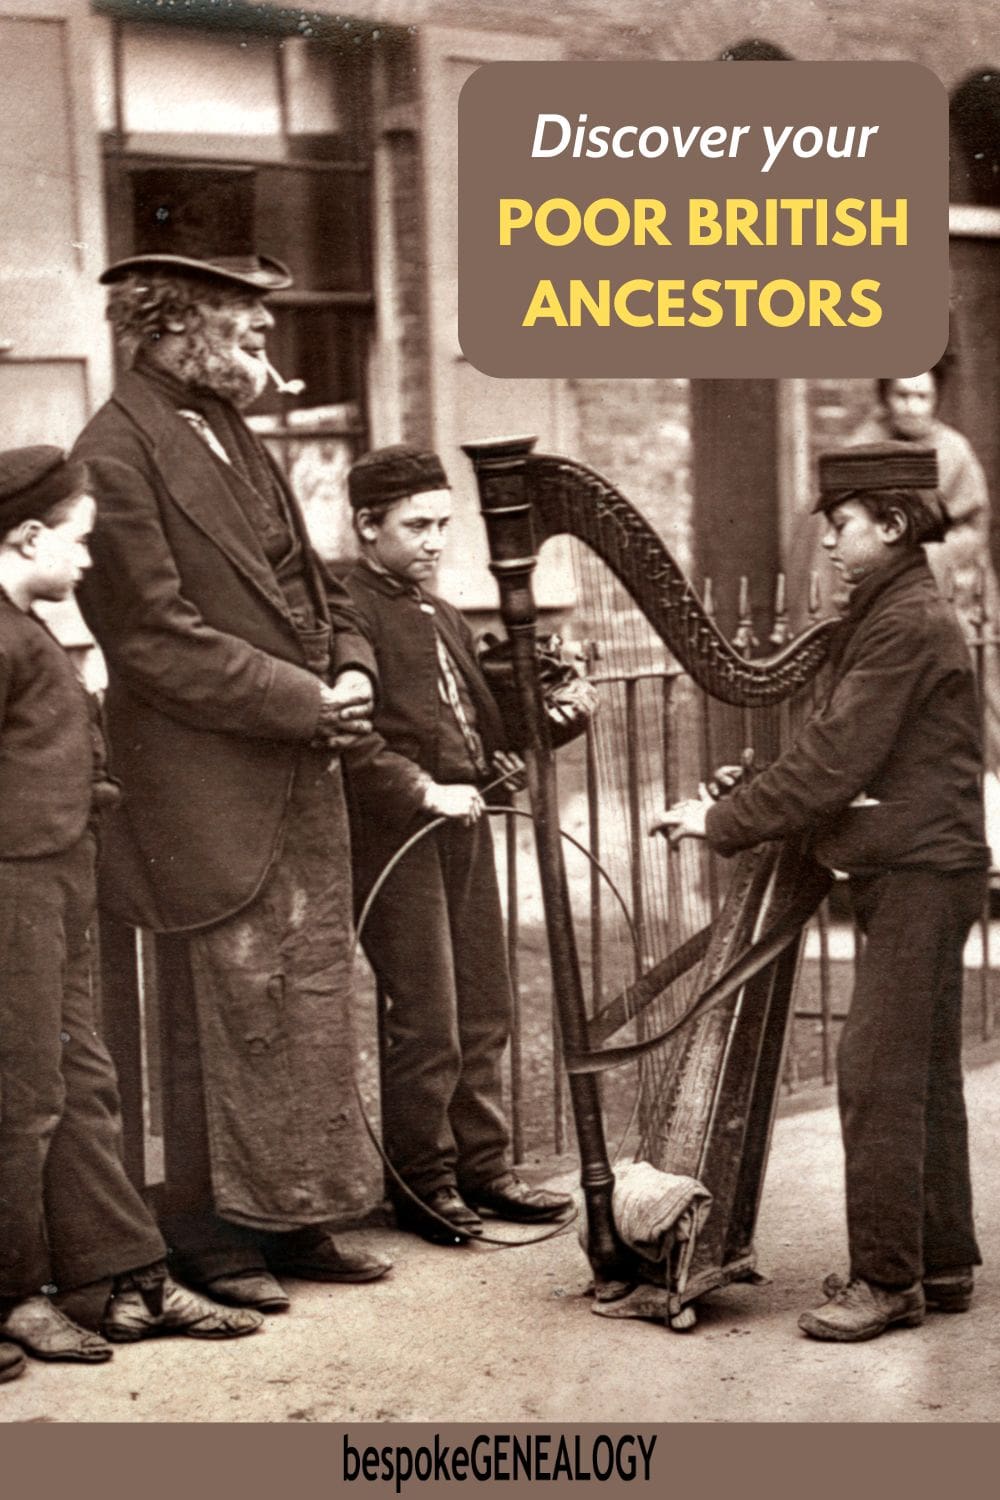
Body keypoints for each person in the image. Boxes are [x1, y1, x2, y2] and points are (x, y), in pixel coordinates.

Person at [70, 192, 391, 1313]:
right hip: (205, 780)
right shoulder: (112, 451)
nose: (262, 333)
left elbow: (312, 575)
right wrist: (305, 699)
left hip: (297, 755)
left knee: (305, 993)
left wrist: (350, 660)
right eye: (241, 315)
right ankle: (207, 1236)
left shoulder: (233, 425)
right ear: (173, 321)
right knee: (224, 1004)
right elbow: (154, 641)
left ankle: (293, 1214)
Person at [652, 441, 988, 1342]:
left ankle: (887, 1281)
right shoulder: (888, 609)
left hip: (922, 872)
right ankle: (942, 1260)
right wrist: (755, 783)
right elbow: (841, 745)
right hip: (920, 865)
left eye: (840, 525)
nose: (830, 543)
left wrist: (718, 824)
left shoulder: (906, 620)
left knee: (875, 1072)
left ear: (890, 522)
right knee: (917, 1069)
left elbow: (838, 760)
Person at [0, 447, 262, 1379]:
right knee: (21, 1100)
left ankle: (128, 1279)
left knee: (82, 1083)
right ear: (27, 535)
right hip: (14, 894)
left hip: (58, 883)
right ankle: (10, 1299)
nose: (88, 561)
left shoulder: (28, 628)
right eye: (78, 541)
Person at [341, 445, 574, 1244]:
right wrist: (419, 788)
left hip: (463, 827)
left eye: (444, 524)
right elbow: (353, 738)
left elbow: (480, 728)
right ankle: (423, 1181)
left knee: (485, 1003)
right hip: (395, 838)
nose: (436, 540)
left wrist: (546, 718)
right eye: (417, 525)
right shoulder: (348, 608)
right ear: (367, 526)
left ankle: (486, 1167)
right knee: (430, 1016)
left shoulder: (438, 611)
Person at [850, 367, 1000, 773]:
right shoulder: (863, 444)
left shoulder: (954, 450)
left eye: (922, 397)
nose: (912, 407)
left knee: (972, 687)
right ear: (885, 396)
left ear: (935, 400)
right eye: (902, 395)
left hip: (950, 586)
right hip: (881, 586)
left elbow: (972, 529)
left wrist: (921, 560)